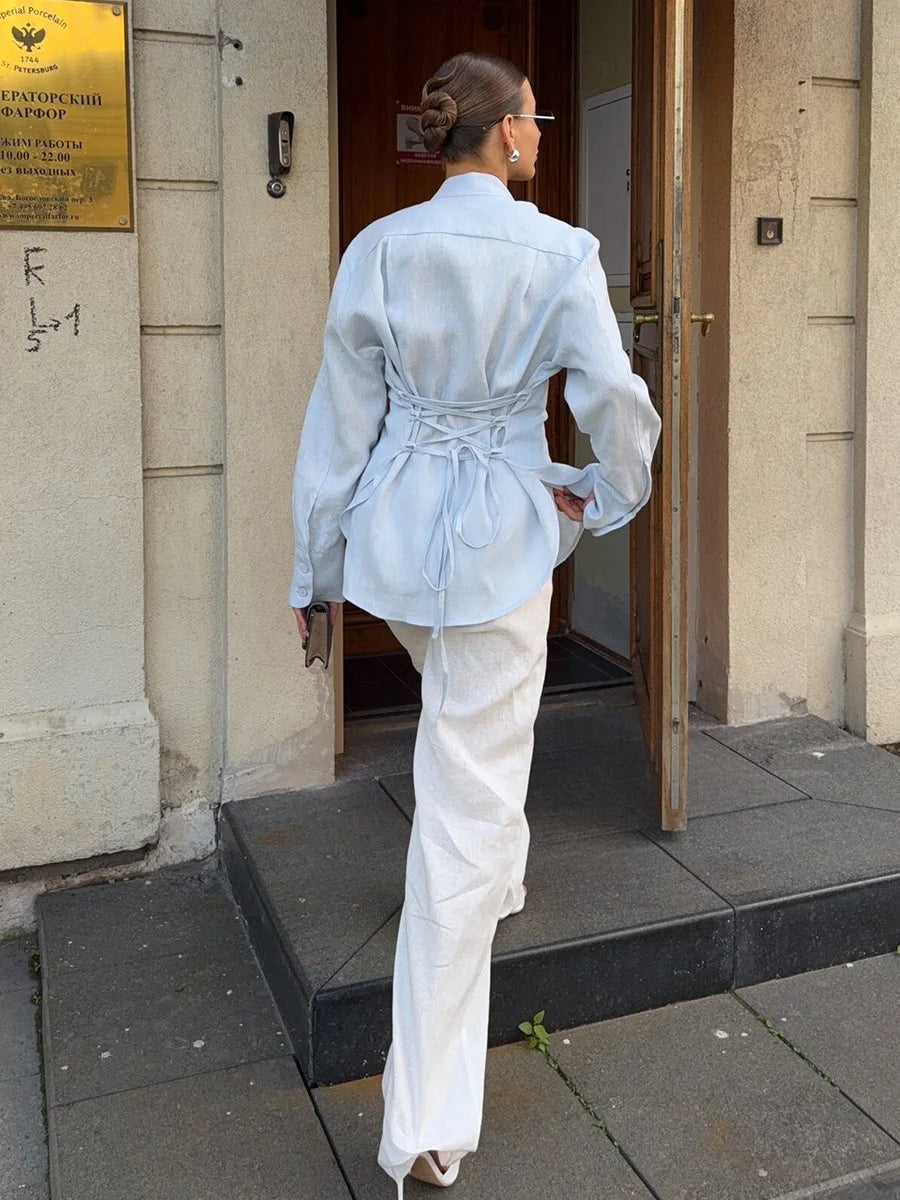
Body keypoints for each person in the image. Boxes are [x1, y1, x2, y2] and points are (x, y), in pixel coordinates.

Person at [290, 51, 661, 1198]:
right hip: (500, 543)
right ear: (505, 134)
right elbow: (616, 403)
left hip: (397, 546)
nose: (542, 134)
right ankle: (426, 1120)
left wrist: (316, 571)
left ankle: (500, 879)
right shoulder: (560, 254)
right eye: (535, 119)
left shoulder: (379, 247)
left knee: (470, 752)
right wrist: (605, 494)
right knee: (464, 802)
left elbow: (338, 421)